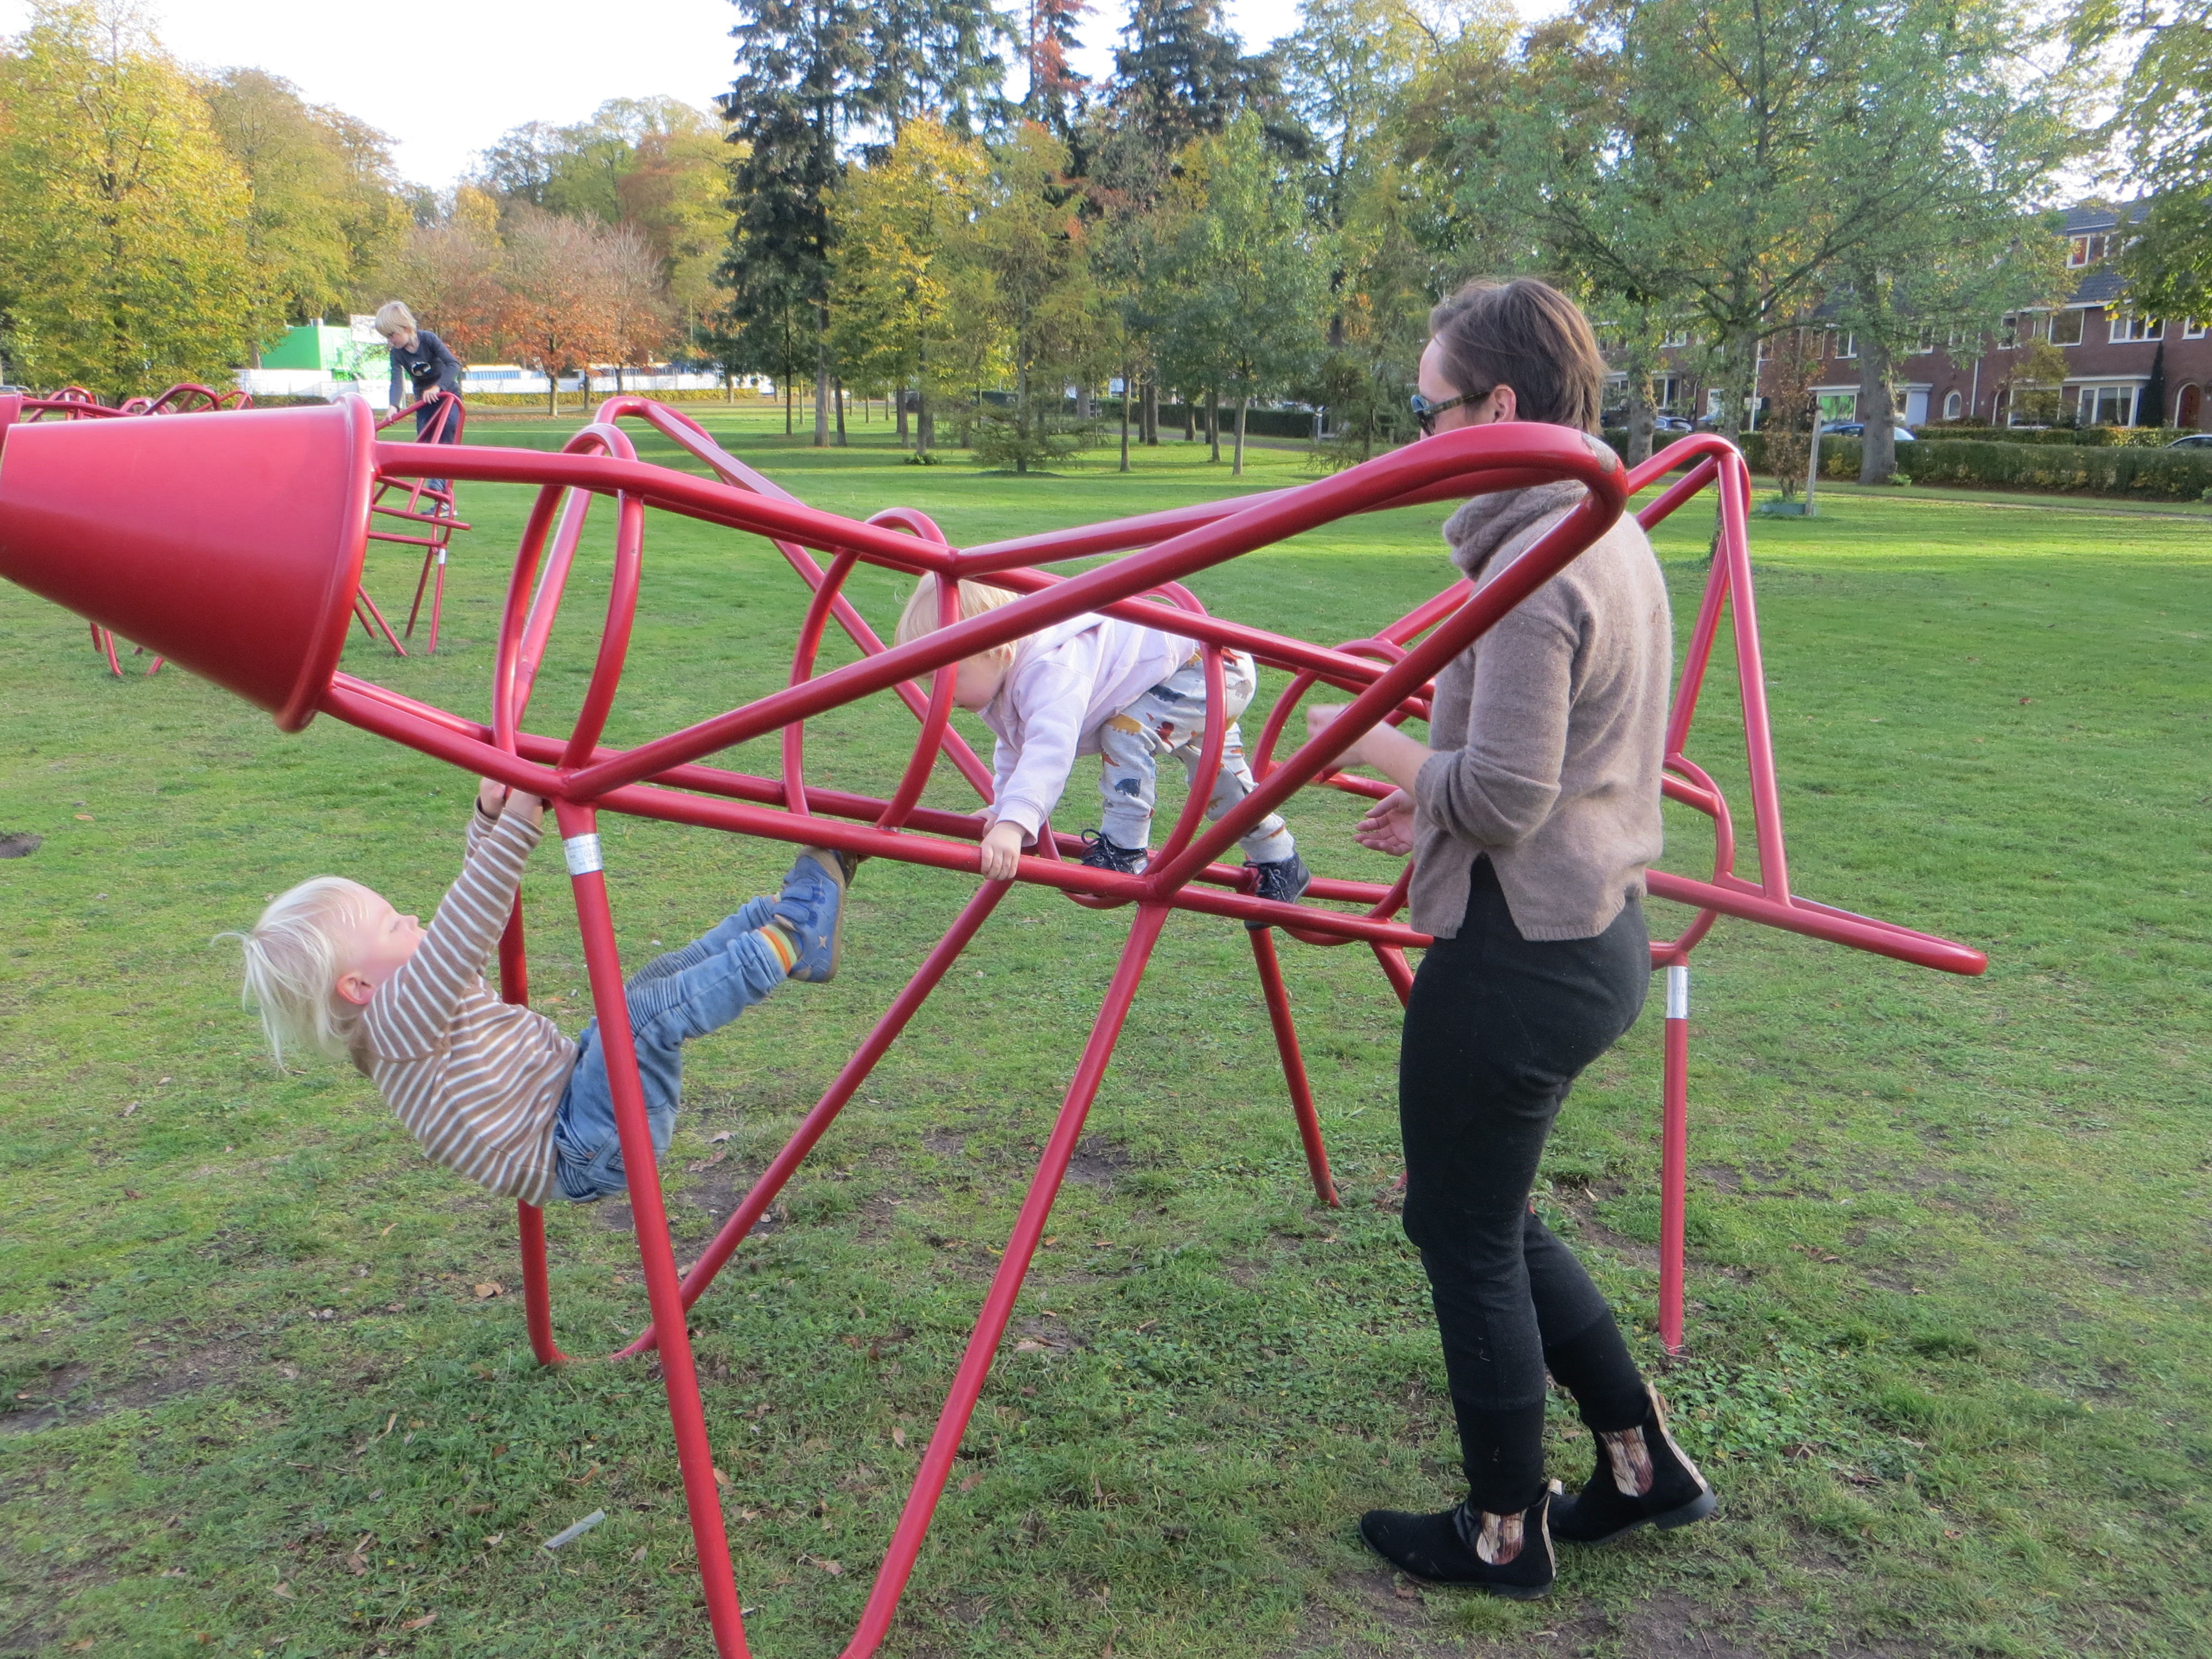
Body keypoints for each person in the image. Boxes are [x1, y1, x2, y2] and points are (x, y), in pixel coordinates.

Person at [1307, 278, 1713, 1599]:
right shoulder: (1604, 525)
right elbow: (1541, 769)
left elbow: (1498, 795)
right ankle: (1641, 1465)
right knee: (1487, 1213)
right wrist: (1431, 796)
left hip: (1517, 957)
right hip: (1589, 932)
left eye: (1423, 406)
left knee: (1461, 1230)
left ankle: (1500, 1529)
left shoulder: (1540, 566)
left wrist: (1367, 742)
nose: (1416, 433)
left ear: (1495, 406)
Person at [225, 780, 853, 1207]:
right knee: (637, 1018)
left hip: (576, 1103)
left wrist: (489, 818)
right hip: (581, 1147)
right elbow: (467, 922)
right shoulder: (396, 1023)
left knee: (642, 991)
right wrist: (520, 818)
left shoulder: (411, 1009)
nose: (413, 919)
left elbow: (469, 926)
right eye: (393, 925)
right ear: (359, 986)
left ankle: (774, 917)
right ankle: (793, 938)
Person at [894, 574, 1310, 919]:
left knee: (1125, 733)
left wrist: (1015, 824)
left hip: (1210, 664)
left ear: (998, 651)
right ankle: (1282, 860)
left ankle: (1125, 850)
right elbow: (1016, 748)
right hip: (1181, 672)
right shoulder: (1001, 683)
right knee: (1222, 782)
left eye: (946, 677)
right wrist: (1006, 810)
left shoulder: (1049, 668)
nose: (939, 694)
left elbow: (1048, 751)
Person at [375, 300, 462, 499]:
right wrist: (393, 406)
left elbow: (453, 365)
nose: (390, 341)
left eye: (392, 335)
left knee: (447, 429)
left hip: (447, 396)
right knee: (425, 442)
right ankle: (439, 494)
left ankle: (439, 487)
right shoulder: (397, 353)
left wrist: (437, 387)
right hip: (425, 402)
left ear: (406, 328)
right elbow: (397, 380)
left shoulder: (429, 340)